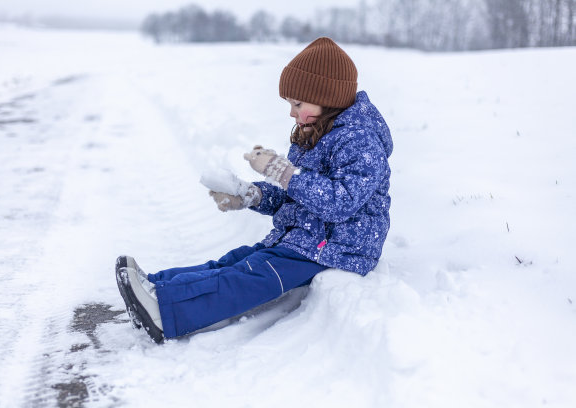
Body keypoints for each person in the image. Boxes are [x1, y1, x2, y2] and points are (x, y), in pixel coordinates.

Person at [115, 37, 393, 344]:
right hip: (307, 238)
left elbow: (341, 203)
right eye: (289, 104)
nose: (291, 113)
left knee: (248, 278)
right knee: (234, 261)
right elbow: (298, 197)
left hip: (339, 248)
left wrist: (283, 172)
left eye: (297, 104)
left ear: (328, 99)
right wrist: (253, 195)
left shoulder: (360, 141)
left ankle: (165, 310)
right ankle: (157, 286)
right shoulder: (317, 132)